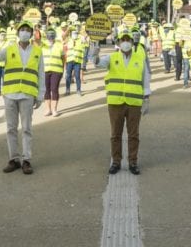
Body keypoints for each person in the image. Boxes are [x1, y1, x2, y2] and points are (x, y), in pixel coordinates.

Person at [0, 20, 45, 175]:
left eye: (27, 30)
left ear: (31, 34)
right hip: (10, 93)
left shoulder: (38, 51)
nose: (24, 32)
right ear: (18, 33)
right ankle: (14, 159)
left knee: (26, 129)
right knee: (11, 128)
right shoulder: (9, 48)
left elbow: (41, 74)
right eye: (22, 29)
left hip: (27, 94)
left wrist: (40, 95)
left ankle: (26, 160)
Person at [98, 30, 151, 175]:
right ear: (119, 43)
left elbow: (145, 79)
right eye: (123, 40)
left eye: (128, 40)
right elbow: (98, 64)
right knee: (115, 134)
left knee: (133, 134)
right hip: (116, 102)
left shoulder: (139, 59)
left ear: (132, 43)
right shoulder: (112, 57)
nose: (126, 42)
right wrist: (94, 52)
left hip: (134, 102)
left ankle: (133, 161)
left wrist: (146, 98)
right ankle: (116, 161)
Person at [42, 28, 64, 117]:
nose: (50, 36)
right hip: (45, 70)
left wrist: (63, 69)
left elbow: (63, 58)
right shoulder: (42, 45)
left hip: (57, 70)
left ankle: (54, 109)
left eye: (52, 34)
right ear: (46, 36)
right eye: (49, 34)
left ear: (54, 35)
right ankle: (48, 109)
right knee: (46, 90)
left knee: (54, 89)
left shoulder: (59, 45)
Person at [64, 28, 85, 96]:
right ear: (71, 34)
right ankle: (67, 90)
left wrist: (80, 32)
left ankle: (78, 90)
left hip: (77, 61)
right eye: (73, 33)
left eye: (76, 33)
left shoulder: (80, 40)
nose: (75, 35)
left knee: (77, 76)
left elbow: (84, 37)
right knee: (68, 76)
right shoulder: (68, 40)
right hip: (69, 60)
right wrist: (68, 29)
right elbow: (63, 36)